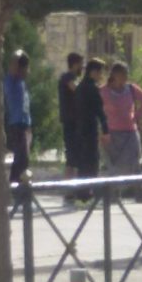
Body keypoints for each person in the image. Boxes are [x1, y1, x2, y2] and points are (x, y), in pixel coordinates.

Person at [101, 62, 142, 176]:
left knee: (134, 165)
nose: (125, 77)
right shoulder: (104, 91)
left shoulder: (131, 89)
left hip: (130, 133)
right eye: (122, 74)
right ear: (114, 75)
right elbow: (96, 109)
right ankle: (115, 187)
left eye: (126, 74)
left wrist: (137, 116)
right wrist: (102, 130)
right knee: (116, 168)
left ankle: (136, 186)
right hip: (113, 134)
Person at [73, 58, 109, 200]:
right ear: (93, 72)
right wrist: (106, 129)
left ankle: (81, 192)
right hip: (90, 128)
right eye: (100, 72)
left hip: (79, 128)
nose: (101, 76)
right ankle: (88, 192)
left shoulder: (80, 87)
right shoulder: (92, 88)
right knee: (92, 160)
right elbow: (99, 110)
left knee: (83, 162)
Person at [3, 50, 32, 183]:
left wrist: (29, 126)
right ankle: (14, 185)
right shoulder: (11, 81)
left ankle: (17, 185)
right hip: (16, 124)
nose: (28, 71)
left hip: (24, 125)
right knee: (21, 159)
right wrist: (21, 54)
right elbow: (14, 61)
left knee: (23, 160)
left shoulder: (22, 83)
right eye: (25, 67)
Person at [59, 52, 84, 192]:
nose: (82, 67)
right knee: (71, 156)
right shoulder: (67, 77)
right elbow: (76, 89)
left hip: (76, 121)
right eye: (81, 64)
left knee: (76, 157)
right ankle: (67, 189)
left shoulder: (74, 78)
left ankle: (73, 188)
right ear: (75, 64)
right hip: (70, 121)